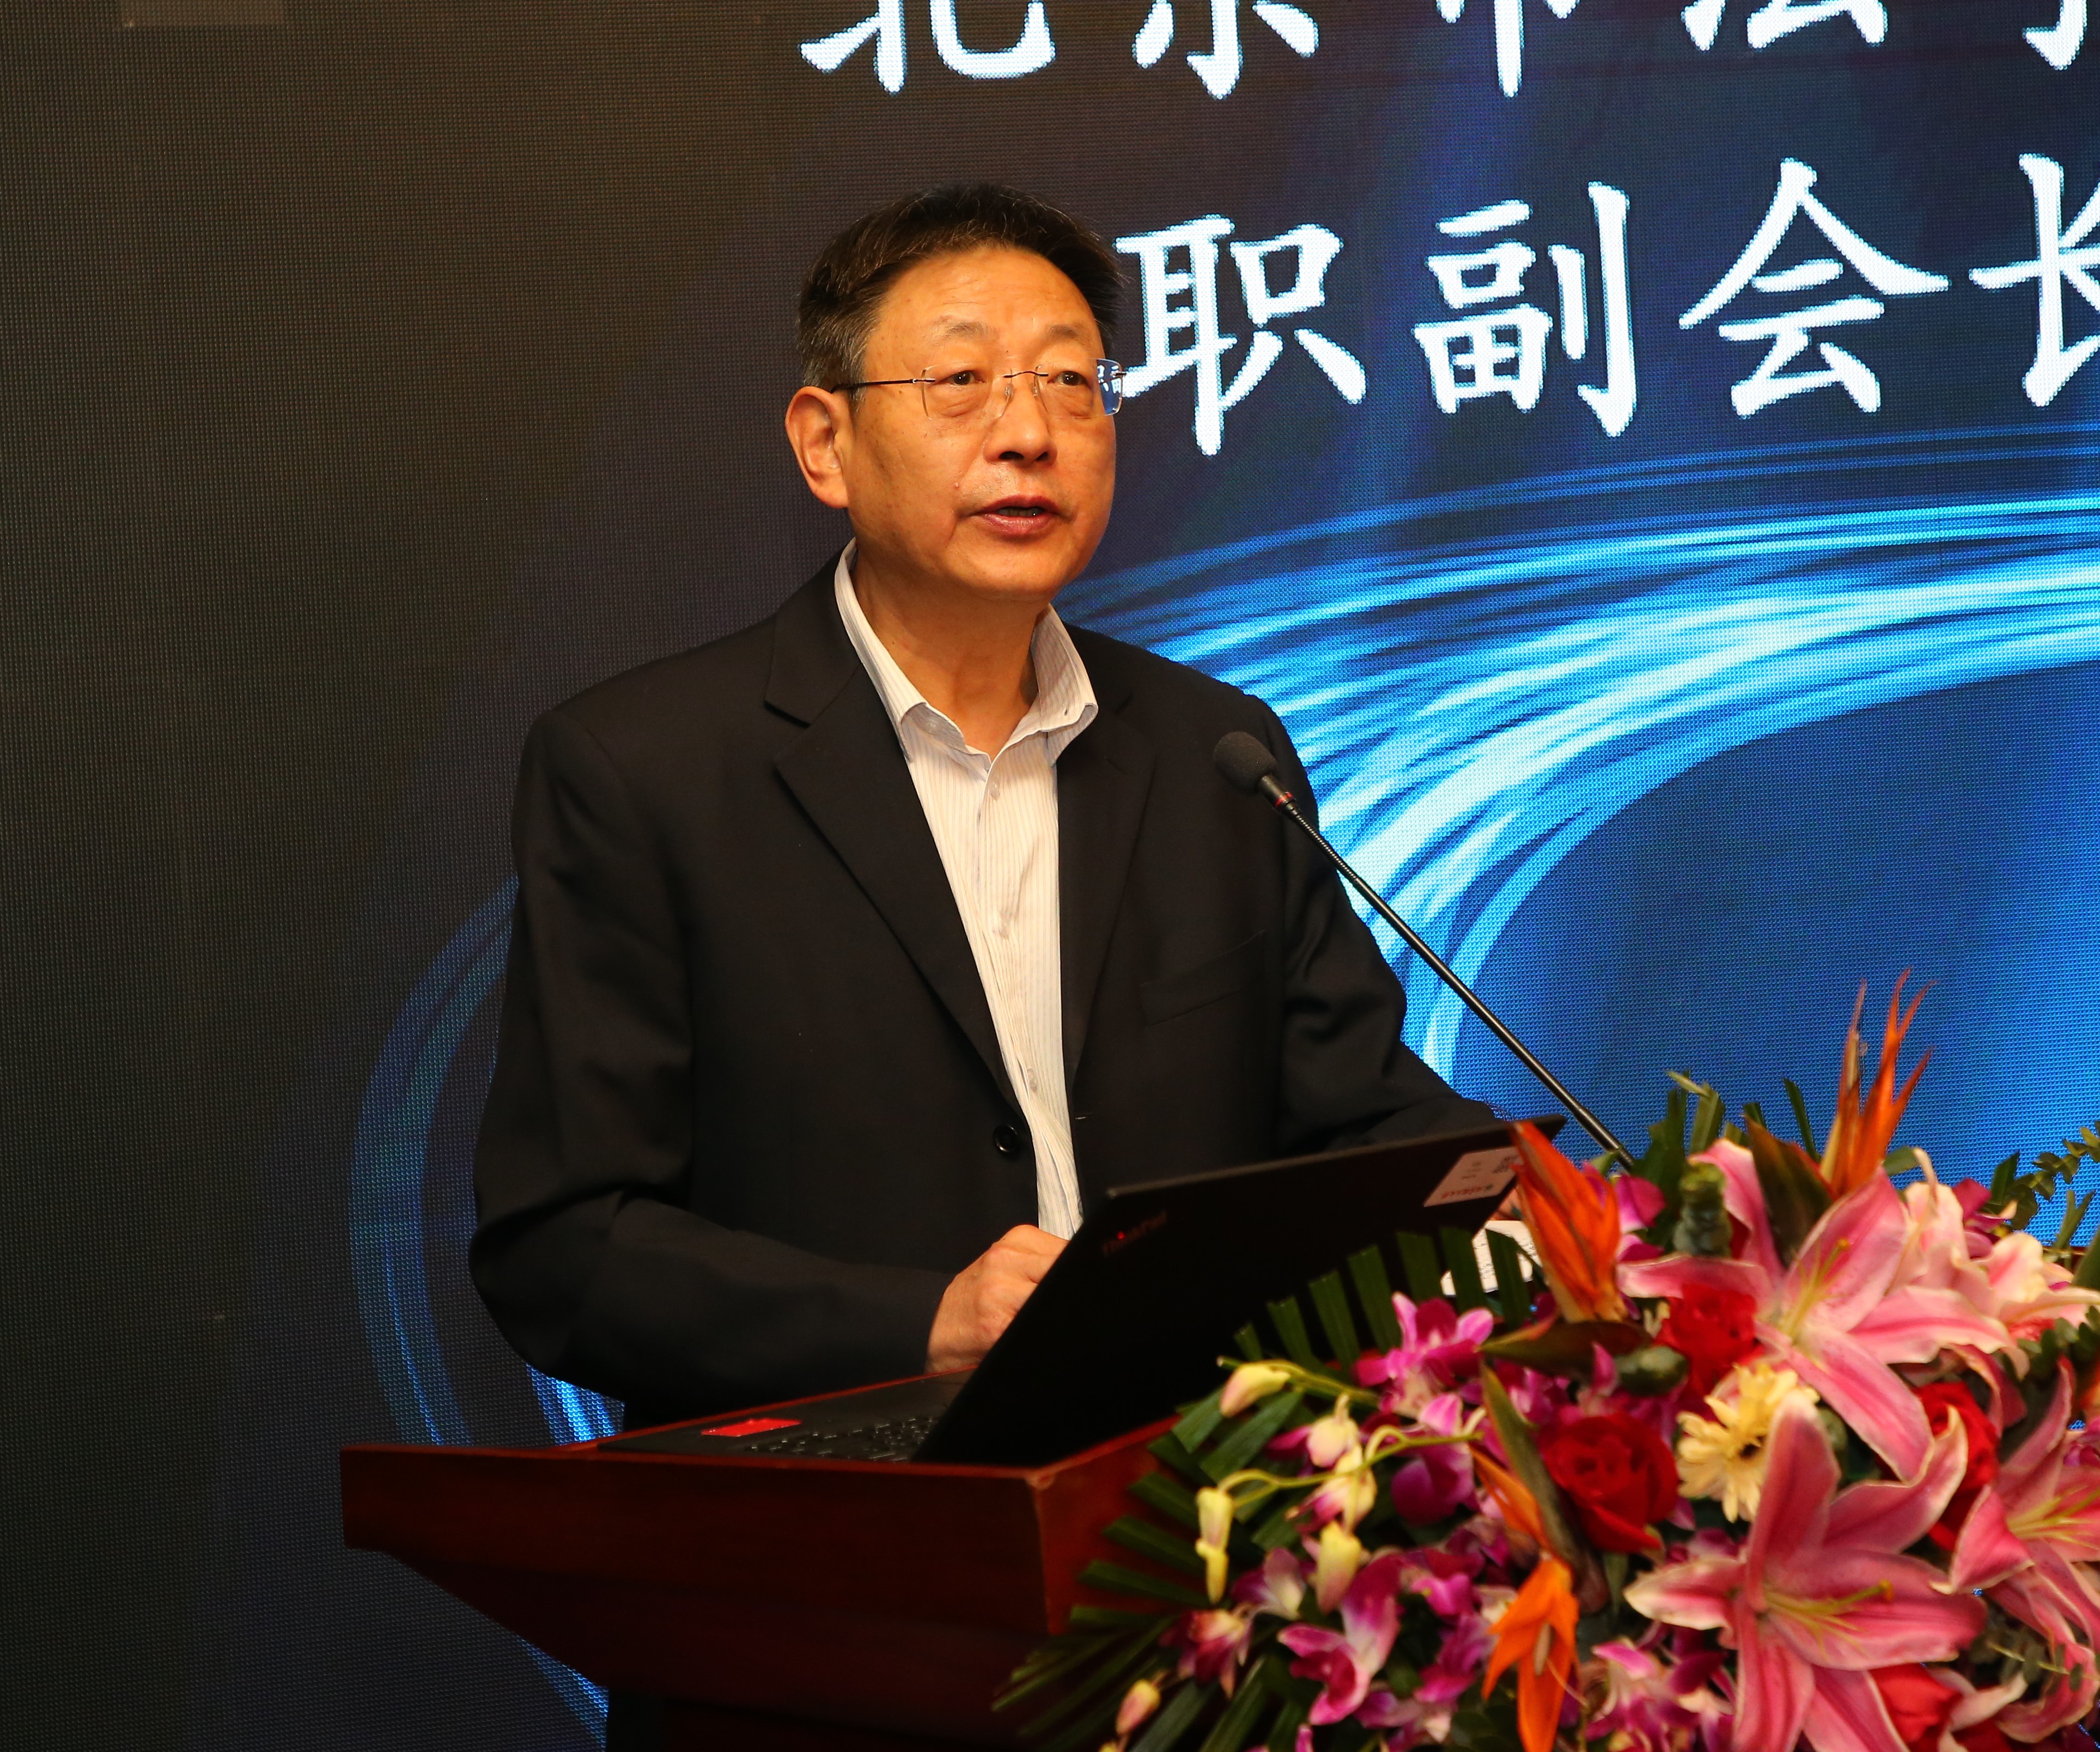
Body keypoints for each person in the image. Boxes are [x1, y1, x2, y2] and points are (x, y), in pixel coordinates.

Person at [470, 183, 1490, 1429]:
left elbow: (1361, 1126)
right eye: (961, 383)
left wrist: (1572, 1211)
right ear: (826, 444)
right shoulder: (645, 770)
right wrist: (923, 1322)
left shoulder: (1212, 752)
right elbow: (566, 1249)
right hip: (852, 1506)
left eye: (1071, 383)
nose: (1030, 435)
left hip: (1195, 1495)